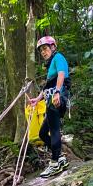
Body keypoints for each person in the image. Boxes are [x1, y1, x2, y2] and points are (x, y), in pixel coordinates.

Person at [29, 36, 71, 178]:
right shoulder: (51, 63)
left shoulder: (58, 57)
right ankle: (59, 158)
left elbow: (61, 74)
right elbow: (48, 86)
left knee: (54, 130)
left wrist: (58, 92)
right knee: (42, 133)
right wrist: (37, 99)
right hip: (51, 99)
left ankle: (54, 163)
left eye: (45, 48)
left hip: (57, 98)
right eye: (41, 50)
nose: (43, 52)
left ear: (53, 47)